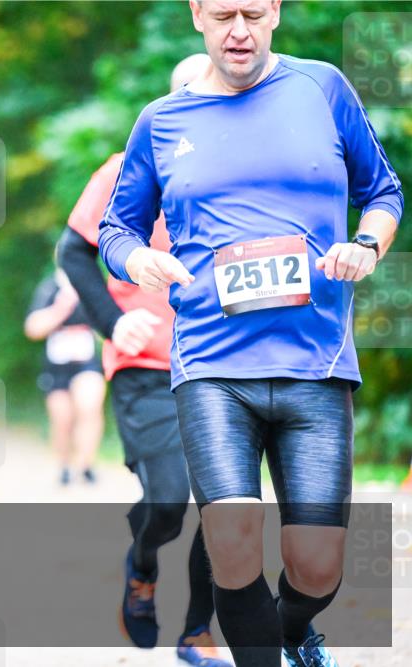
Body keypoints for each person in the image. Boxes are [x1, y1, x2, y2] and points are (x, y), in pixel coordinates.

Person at [98, 2, 403, 666]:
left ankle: (294, 630)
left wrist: (366, 246)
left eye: (254, 13)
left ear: (277, 15)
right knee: (233, 543)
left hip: (315, 363)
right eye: (224, 14)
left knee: (317, 566)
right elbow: (115, 229)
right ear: (198, 17)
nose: (239, 29)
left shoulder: (322, 88)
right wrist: (137, 258)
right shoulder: (162, 120)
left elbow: (383, 192)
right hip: (211, 364)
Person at [59, 53, 231, 667]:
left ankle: (196, 631)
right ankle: (143, 564)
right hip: (147, 366)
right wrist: (113, 322)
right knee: (169, 499)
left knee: (223, 505)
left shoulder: (243, 173)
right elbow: (73, 253)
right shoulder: (124, 169)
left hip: (221, 362)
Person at [24, 268, 105, 486]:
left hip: (86, 362)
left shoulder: (91, 283)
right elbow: (32, 328)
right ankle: (65, 466)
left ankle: (86, 464)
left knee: (89, 408)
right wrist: (61, 309)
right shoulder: (49, 287)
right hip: (57, 365)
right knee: (62, 419)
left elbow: (106, 320)